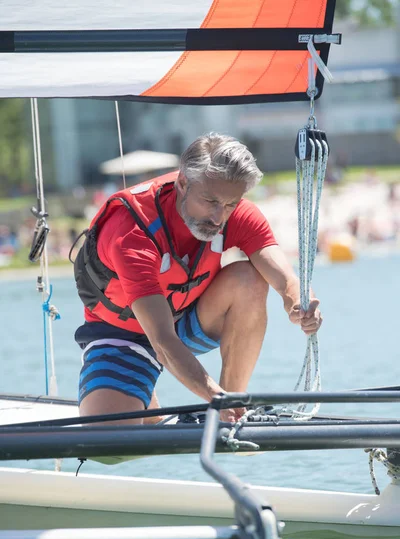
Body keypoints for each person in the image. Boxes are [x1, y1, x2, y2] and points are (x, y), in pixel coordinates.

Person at [74, 133, 322, 425]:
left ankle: (232, 408)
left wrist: (299, 303)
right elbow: (163, 341)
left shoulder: (236, 212)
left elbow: (285, 278)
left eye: (230, 204)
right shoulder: (132, 231)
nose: (219, 217)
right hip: (123, 335)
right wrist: (211, 394)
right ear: (182, 184)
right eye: (210, 201)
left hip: (185, 320)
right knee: (109, 445)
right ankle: (152, 397)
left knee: (248, 278)